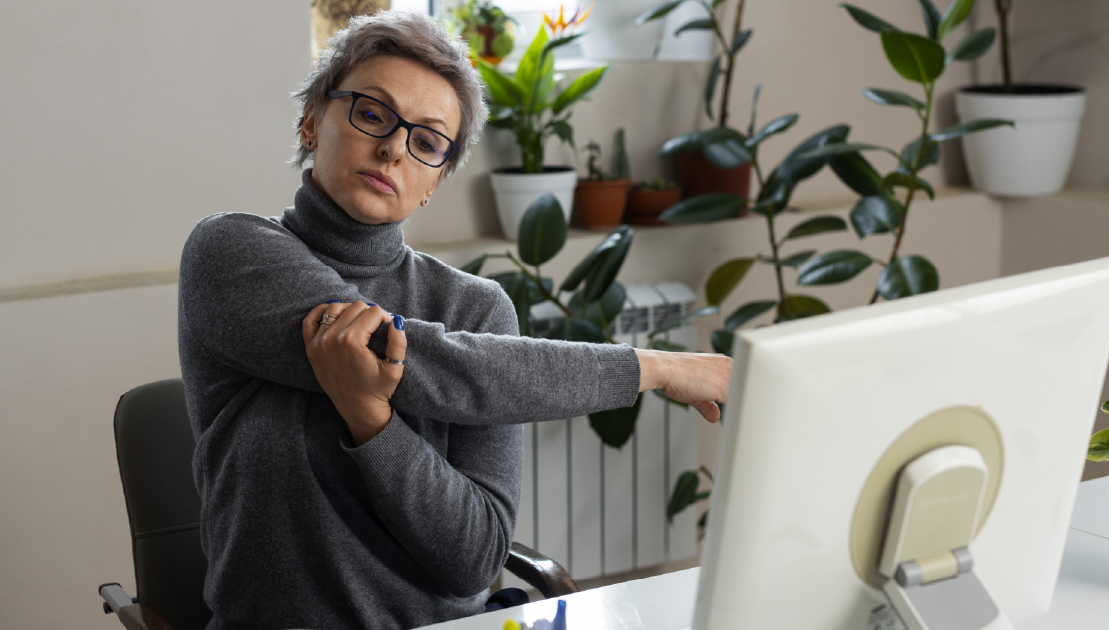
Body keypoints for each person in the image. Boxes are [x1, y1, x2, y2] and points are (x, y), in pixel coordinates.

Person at [177, 9, 732, 630]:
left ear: (434, 181)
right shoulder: (230, 252)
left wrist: (371, 421)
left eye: (428, 140)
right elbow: (423, 358)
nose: (392, 147)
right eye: (371, 112)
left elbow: (473, 562)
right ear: (310, 122)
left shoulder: (476, 306)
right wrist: (652, 367)